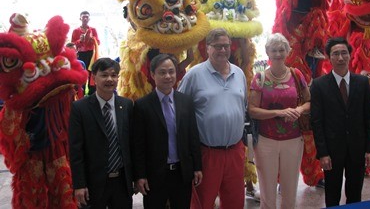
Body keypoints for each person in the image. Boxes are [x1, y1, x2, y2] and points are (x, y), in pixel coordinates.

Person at [177, 28, 247, 209]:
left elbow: (243, 107)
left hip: (235, 151)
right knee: (203, 202)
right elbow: (180, 113)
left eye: (226, 46)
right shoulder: (194, 75)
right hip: (207, 153)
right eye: (217, 46)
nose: (222, 50)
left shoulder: (239, 74)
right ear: (207, 48)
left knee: (235, 201)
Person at [310, 37, 370, 207]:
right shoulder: (319, 85)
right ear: (329, 57)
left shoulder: (362, 83)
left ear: (349, 55)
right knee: (332, 194)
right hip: (332, 152)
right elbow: (317, 122)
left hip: (357, 148)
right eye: (335, 54)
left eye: (344, 53)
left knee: (355, 193)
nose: (340, 58)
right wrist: (323, 153)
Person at [248, 33, 310, 208]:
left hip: (293, 140)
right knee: (267, 191)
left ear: (287, 52)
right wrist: (278, 112)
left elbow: (309, 102)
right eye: (274, 50)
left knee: (290, 189)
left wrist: (298, 109)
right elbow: (252, 110)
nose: (277, 54)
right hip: (266, 140)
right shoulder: (259, 78)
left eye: (281, 50)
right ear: (268, 52)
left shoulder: (296, 75)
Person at [133, 54, 203, 208]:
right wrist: (140, 175)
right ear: (152, 75)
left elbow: (193, 136)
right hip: (155, 175)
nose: (168, 76)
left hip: (181, 173)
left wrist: (197, 167)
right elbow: (138, 145)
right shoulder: (142, 106)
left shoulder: (186, 101)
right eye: (162, 72)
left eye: (171, 71)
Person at [69, 58, 133, 208]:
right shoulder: (80, 108)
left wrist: (136, 177)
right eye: (104, 75)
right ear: (93, 78)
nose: (110, 79)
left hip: (122, 182)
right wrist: (79, 184)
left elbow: (132, 144)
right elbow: (76, 150)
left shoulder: (127, 105)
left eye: (114, 75)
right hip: (93, 183)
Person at [71, 11, 100, 94]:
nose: (85, 18)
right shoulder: (76, 31)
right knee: (81, 73)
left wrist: (92, 39)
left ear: (89, 19)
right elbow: (72, 45)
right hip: (81, 54)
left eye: (87, 17)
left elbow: (98, 42)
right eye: (83, 17)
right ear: (80, 18)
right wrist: (80, 41)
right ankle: (81, 92)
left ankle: (92, 93)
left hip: (91, 54)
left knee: (92, 73)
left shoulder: (93, 30)